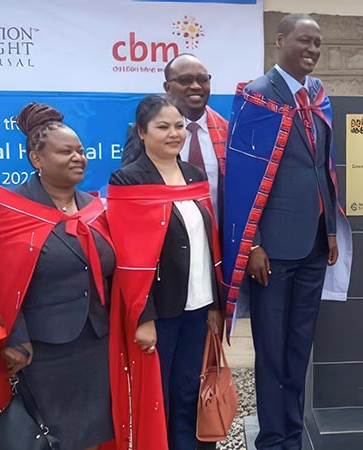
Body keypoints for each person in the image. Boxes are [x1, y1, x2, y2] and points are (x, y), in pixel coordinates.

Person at [226, 13, 345, 450]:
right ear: (280, 41)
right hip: (271, 251)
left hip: (313, 245)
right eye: (303, 41)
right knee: (271, 353)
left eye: (317, 43)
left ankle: (293, 436)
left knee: (298, 349)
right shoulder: (257, 96)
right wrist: (252, 242)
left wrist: (330, 231)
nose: (312, 50)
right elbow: (243, 176)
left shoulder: (317, 96)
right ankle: (272, 440)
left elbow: (324, 169)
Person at [0, 103, 115, 450]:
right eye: (66, 152)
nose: (78, 157)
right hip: (41, 351)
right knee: (48, 439)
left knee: (94, 435)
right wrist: (14, 338)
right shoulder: (9, 211)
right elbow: (2, 279)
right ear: (37, 159)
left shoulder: (96, 208)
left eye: (81, 150)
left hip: (96, 342)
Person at [108, 94, 224, 450]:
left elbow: (209, 242)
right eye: (163, 127)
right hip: (160, 310)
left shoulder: (193, 174)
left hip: (199, 304)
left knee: (190, 389)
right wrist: (143, 317)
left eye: (178, 126)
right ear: (142, 133)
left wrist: (216, 305)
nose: (174, 134)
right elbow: (128, 258)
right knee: (161, 398)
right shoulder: (128, 180)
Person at [121, 53, 228, 220]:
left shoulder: (228, 131)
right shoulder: (145, 133)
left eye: (203, 79)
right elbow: (131, 192)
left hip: (219, 239)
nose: (196, 86)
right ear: (167, 88)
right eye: (185, 80)